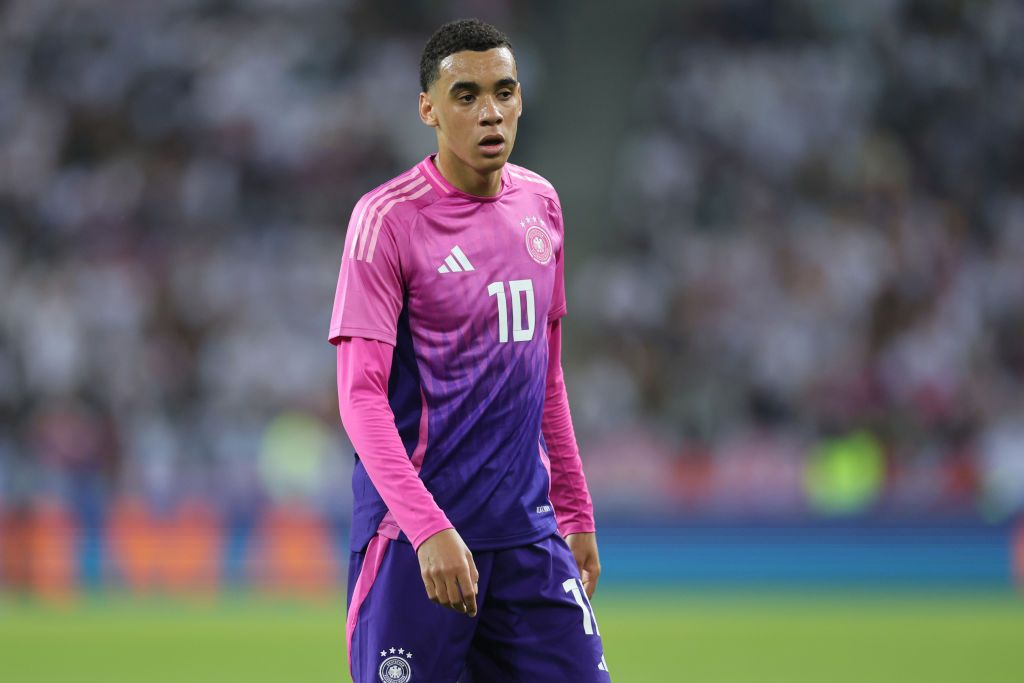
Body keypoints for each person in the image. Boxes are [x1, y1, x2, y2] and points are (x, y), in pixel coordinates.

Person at [329, 18, 609, 682]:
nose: (490, 112)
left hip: (527, 538)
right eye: (466, 95)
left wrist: (575, 508)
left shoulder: (540, 202)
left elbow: (547, 374)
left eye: (504, 91)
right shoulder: (387, 219)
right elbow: (359, 395)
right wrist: (427, 528)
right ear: (427, 108)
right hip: (414, 541)